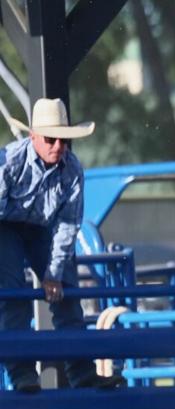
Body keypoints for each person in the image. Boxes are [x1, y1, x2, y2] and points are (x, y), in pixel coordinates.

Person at [0, 98, 123, 393]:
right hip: (4, 226)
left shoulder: (72, 170)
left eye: (63, 140)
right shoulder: (9, 162)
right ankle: (22, 373)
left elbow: (68, 224)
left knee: (67, 290)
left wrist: (53, 273)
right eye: (50, 138)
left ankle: (81, 371)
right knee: (13, 292)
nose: (58, 145)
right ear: (34, 137)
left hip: (42, 228)